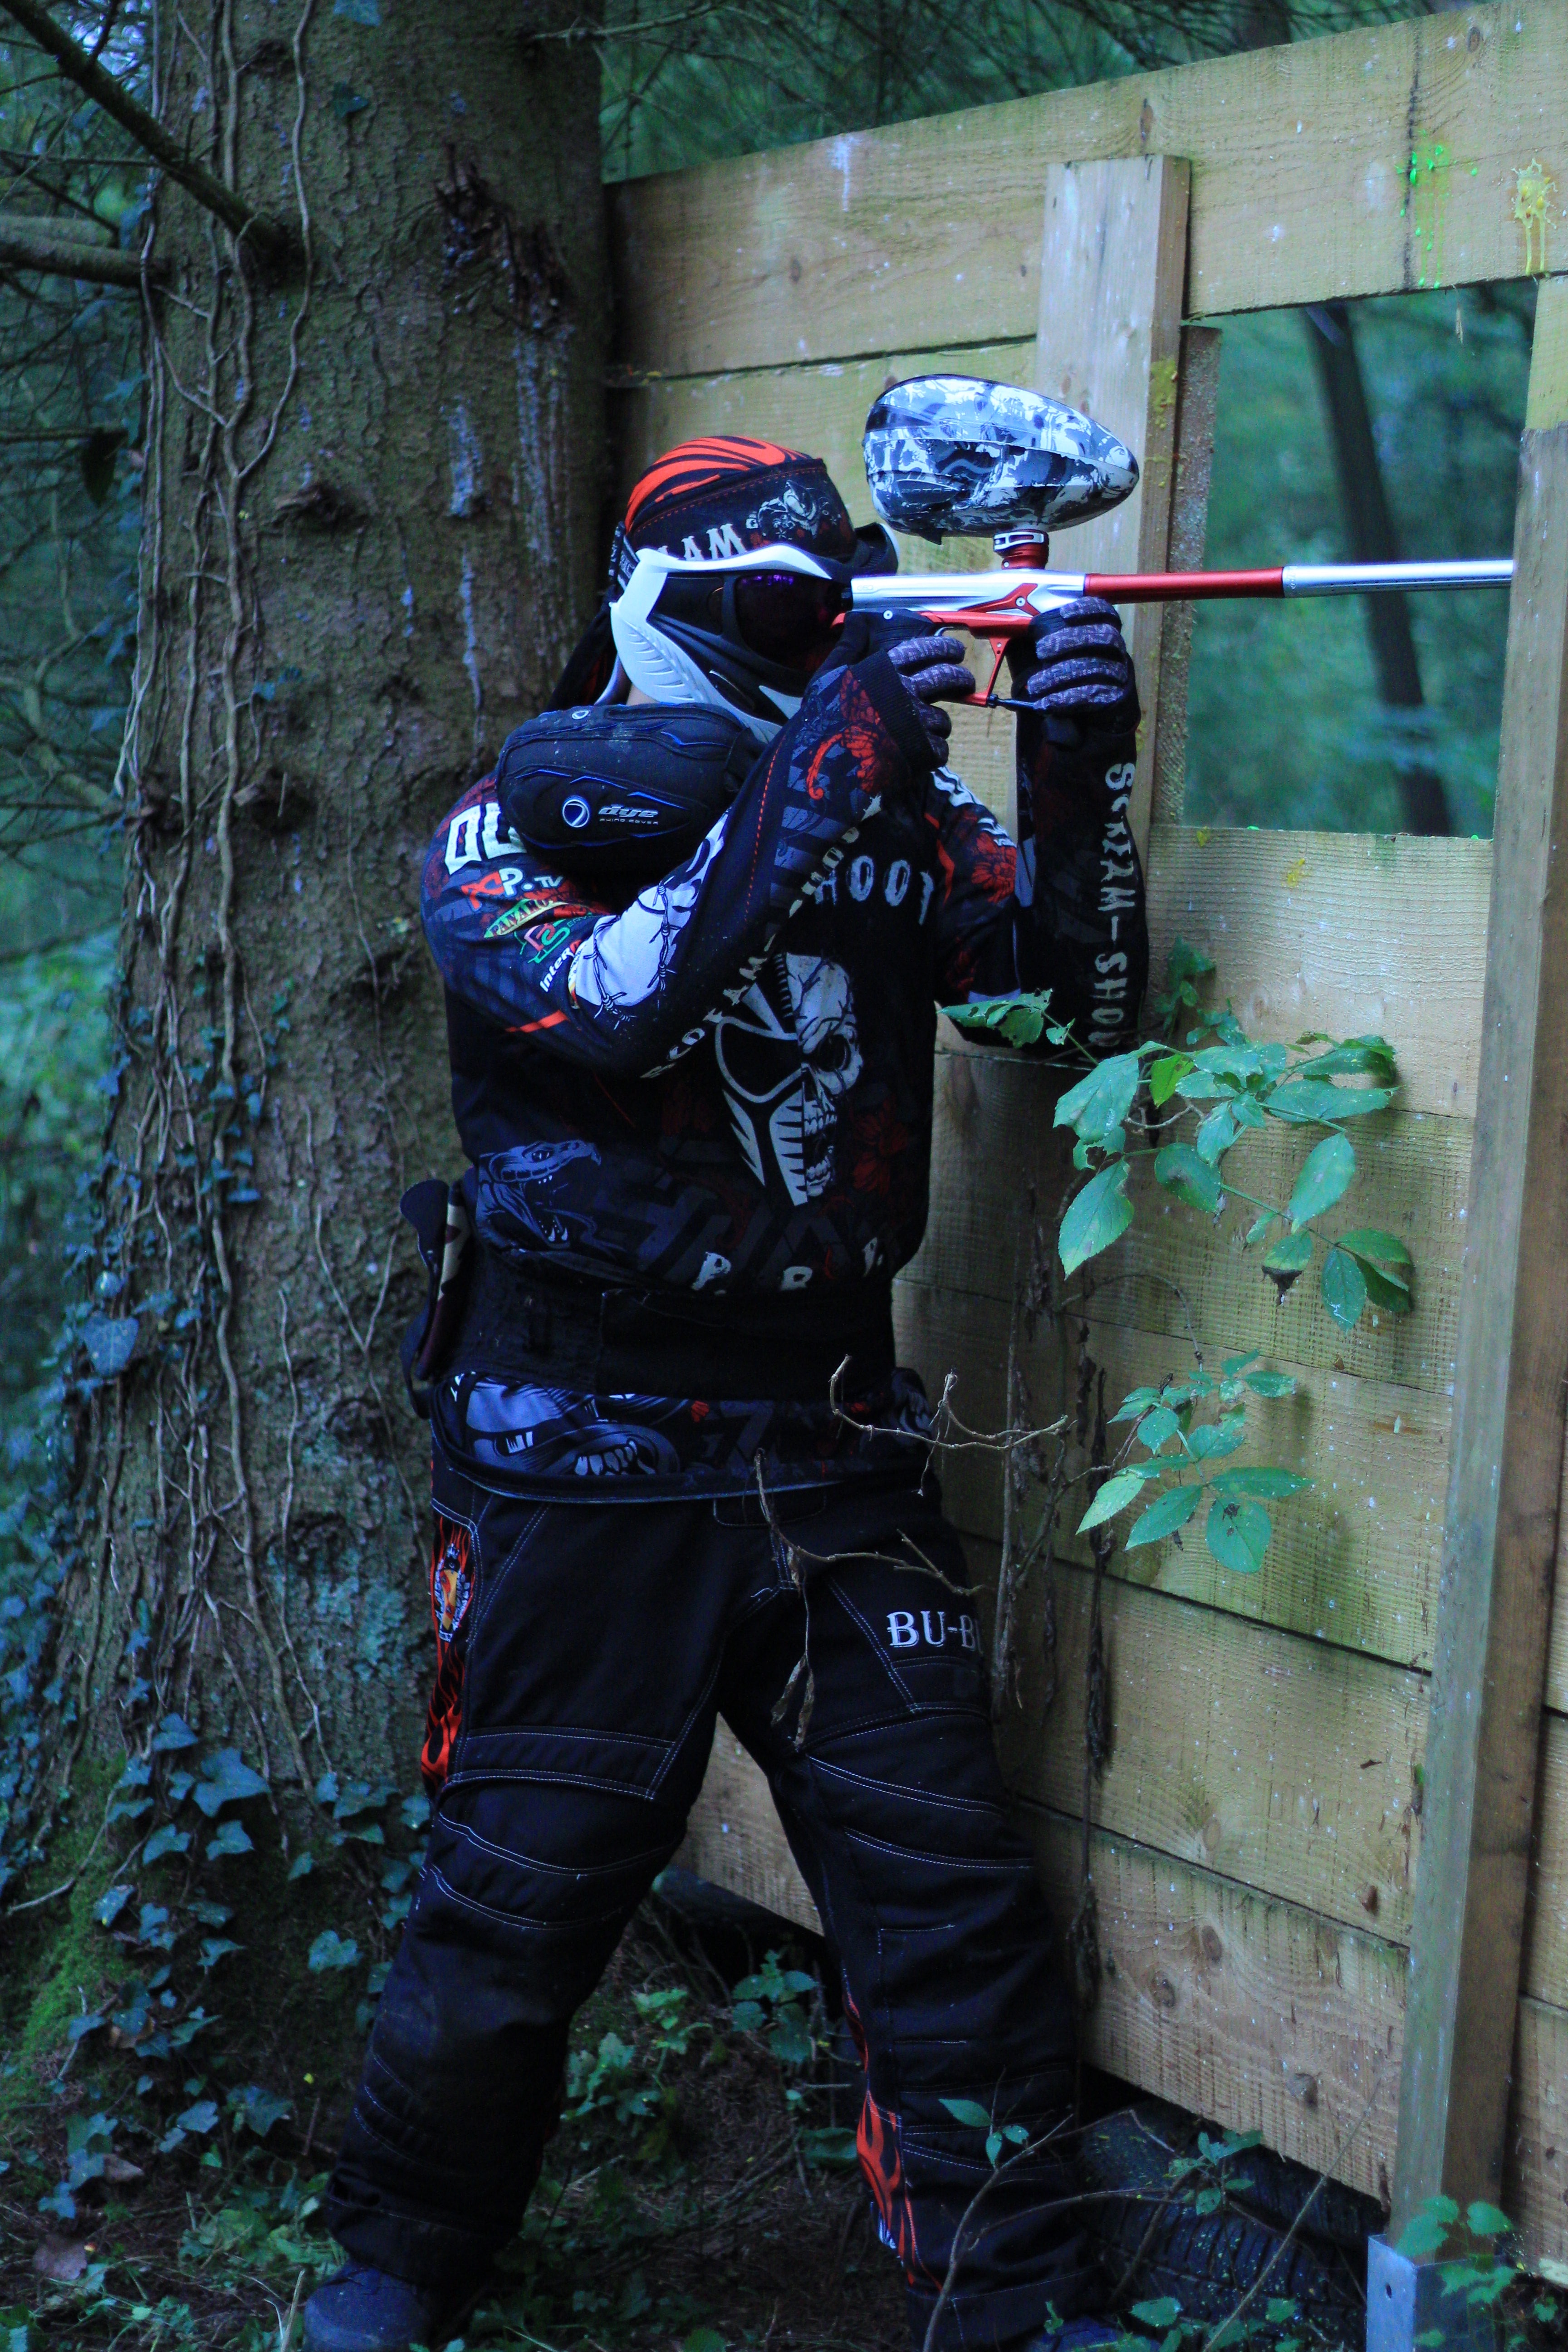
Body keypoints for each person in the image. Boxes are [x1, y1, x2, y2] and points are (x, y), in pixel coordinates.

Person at [304, 434, 1148, 2352]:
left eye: (830, 599)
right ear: (666, 605)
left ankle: (1023, 2299)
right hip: (573, 1450)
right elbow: (618, 1002)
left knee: (941, 1889)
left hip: (832, 1438)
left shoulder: (887, 795)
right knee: (518, 1893)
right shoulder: (507, 825)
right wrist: (845, 746)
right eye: (779, 608)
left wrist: (1081, 767)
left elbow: (1058, 1005)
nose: (813, 631)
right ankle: (390, 2281)